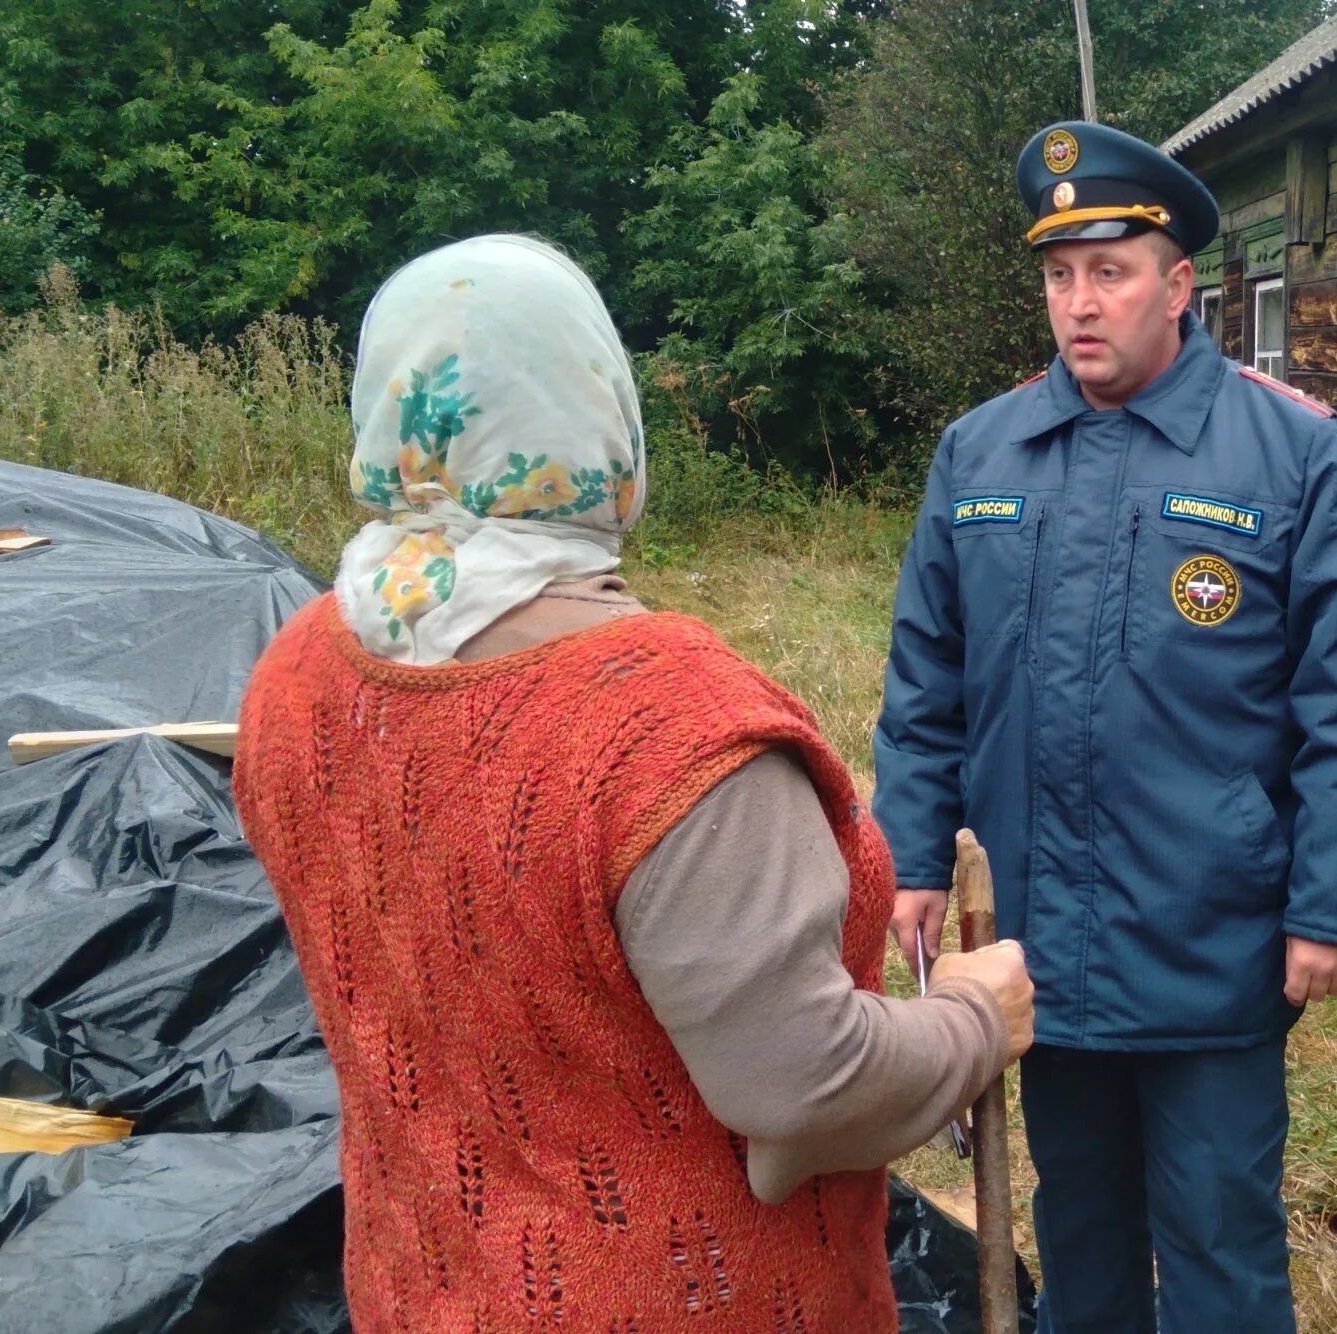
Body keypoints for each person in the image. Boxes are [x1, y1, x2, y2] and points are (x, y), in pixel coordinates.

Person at [231, 234, 1034, 1332]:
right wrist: (972, 1016)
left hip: (418, 1282)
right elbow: (802, 1087)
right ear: (598, 412)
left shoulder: (298, 670)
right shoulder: (673, 731)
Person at [871, 122, 1337, 1332]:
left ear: (1177, 285)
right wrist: (907, 857)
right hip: (1035, 948)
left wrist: (1333, 904)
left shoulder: (1289, 451)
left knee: (1218, 1233)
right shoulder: (980, 450)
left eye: (1108, 272)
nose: (1078, 304)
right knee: (1077, 1225)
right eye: (1059, 276)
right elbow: (925, 678)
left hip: (1208, 936)